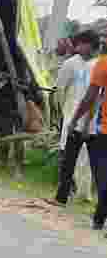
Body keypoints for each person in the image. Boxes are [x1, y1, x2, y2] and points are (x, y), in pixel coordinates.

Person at [49, 31, 100, 207]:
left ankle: (84, 193)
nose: (76, 47)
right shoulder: (70, 64)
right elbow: (60, 91)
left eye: (80, 43)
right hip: (72, 117)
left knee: (87, 160)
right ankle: (65, 194)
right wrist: (65, 112)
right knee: (68, 157)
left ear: (89, 45)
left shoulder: (98, 65)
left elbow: (95, 97)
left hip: (92, 122)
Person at [68, 46, 107, 230]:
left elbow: (91, 97)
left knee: (102, 177)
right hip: (102, 129)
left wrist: (76, 120)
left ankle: (99, 219)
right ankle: (99, 219)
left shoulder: (103, 63)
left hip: (104, 132)